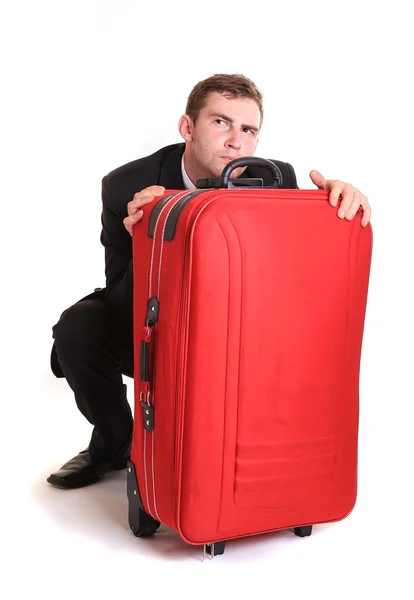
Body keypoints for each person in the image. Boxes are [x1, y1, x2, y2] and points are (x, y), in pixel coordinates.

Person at [47, 73, 372, 489]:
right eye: (221, 122)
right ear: (187, 128)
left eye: (248, 130)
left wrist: (338, 203)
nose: (236, 141)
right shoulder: (125, 185)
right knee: (78, 326)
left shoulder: (275, 180)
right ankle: (114, 441)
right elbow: (119, 298)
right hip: (156, 327)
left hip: (235, 335)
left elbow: (292, 279)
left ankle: (252, 450)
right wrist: (147, 243)